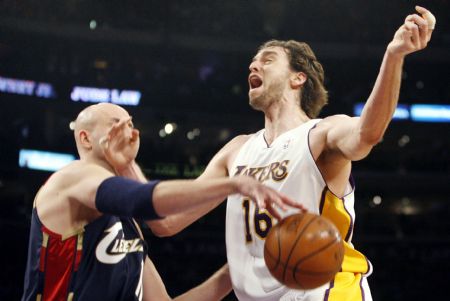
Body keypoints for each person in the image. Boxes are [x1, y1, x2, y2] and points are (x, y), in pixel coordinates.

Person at [146, 5, 436, 301]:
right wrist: (121, 169)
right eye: (252, 62)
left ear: (298, 79)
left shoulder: (320, 133)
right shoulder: (236, 150)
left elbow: (367, 133)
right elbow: (167, 222)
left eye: (267, 60)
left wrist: (394, 55)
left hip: (328, 291)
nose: (253, 66)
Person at [21, 103, 303, 301]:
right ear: (85, 138)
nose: (129, 131)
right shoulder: (73, 177)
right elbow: (143, 199)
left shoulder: (128, 226)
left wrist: (238, 267)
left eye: (131, 124)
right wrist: (232, 184)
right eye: (115, 125)